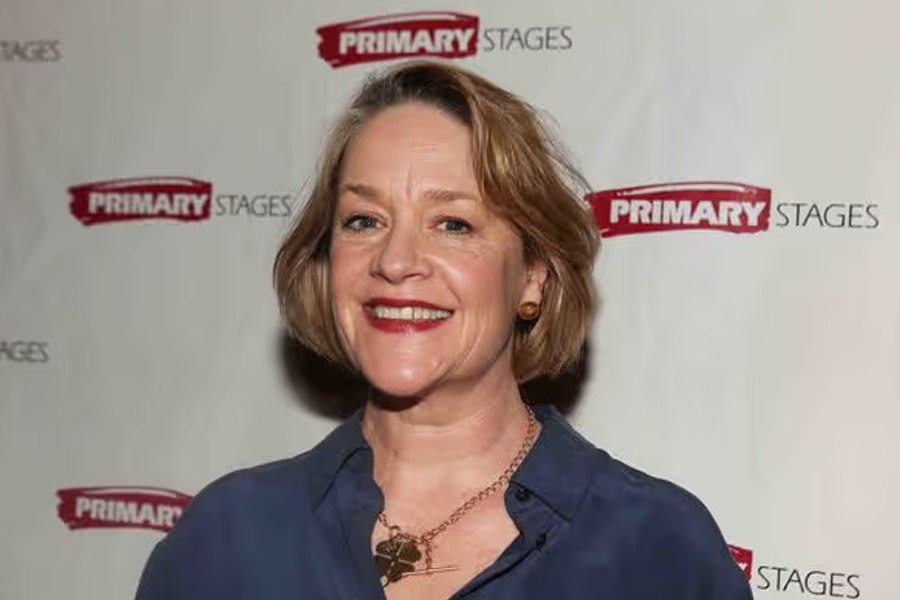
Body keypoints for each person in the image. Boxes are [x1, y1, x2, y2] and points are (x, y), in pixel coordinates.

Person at [135, 60, 751, 600]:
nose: (395, 261)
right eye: (363, 220)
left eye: (453, 224)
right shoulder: (225, 540)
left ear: (533, 276)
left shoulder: (658, 552)